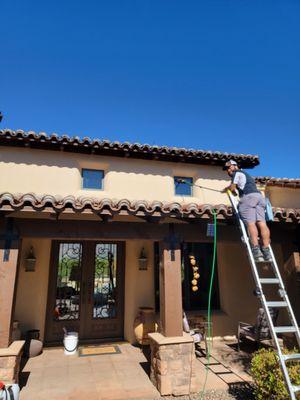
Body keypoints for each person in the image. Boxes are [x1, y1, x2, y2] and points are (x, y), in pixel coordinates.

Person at [223, 160, 272, 262]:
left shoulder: (237, 173)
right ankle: (266, 250)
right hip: (259, 197)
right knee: (262, 223)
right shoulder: (247, 175)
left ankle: (256, 249)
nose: (228, 171)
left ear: (234, 166)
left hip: (248, 198)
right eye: (226, 169)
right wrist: (227, 189)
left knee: (250, 223)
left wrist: (232, 192)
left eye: (228, 168)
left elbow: (233, 187)